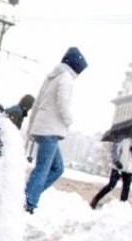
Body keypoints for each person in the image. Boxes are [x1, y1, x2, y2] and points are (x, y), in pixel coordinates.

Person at [24, 47, 87, 214]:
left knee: (57, 168)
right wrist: (69, 120)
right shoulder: (66, 78)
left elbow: (37, 104)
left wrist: (31, 128)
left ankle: (29, 194)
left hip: (42, 127)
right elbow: (63, 103)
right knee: (43, 167)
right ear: (76, 67)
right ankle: (28, 202)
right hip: (50, 129)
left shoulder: (52, 77)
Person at [89, 136, 132, 209]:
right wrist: (116, 161)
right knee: (111, 185)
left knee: (126, 189)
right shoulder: (121, 139)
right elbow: (114, 151)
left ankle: (123, 207)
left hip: (129, 169)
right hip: (118, 167)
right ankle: (96, 199)